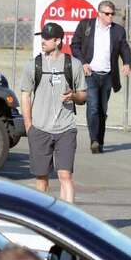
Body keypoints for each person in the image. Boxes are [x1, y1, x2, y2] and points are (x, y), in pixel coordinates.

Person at [20, 22, 86, 203]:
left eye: (47, 38)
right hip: (39, 129)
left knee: (65, 176)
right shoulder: (33, 65)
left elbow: (83, 96)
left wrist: (73, 96)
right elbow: (25, 95)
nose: (43, 41)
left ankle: (69, 221)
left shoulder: (73, 65)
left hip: (66, 128)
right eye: (42, 37)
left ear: (58, 41)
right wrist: (29, 125)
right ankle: (42, 220)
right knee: (41, 178)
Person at [69, 0, 131, 154]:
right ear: (99, 13)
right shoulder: (86, 26)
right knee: (93, 107)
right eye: (107, 13)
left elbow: (124, 47)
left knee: (102, 110)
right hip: (90, 74)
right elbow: (74, 46)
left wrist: (126, 63)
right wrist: (83, 63)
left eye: (112, 14)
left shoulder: (118, 31)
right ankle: (94, 140)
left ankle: (100, 140)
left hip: (108, 76)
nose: (110, 16)